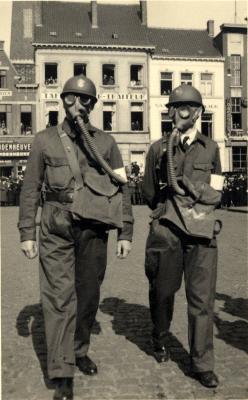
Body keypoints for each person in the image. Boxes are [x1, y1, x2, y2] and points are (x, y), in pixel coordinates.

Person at [18, 74, 133, 400]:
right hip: (56, 227)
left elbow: (122, 187)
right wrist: (28, 231)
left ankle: (79, 348)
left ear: (93, 105)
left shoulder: (107, 143)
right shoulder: (44, 140)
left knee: (88, 295)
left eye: (85, 100)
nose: (77, 105)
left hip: (93, 230)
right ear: (62, 101)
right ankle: (62, 370)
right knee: (57, 299)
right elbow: (30, 189)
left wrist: (126, 230)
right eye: (71, 98)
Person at [143, 85, 224, 389]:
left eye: (184, 108)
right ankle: (160, 335)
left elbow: (216, 192)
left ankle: (202, 363)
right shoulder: (158, 149)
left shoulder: (212, 148)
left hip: (202, 231)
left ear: (198, 113)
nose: (176, 113)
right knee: (163, 291)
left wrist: (188, 188)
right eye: (173, 107)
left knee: (202, 300)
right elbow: (150, 192)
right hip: (168, 230)